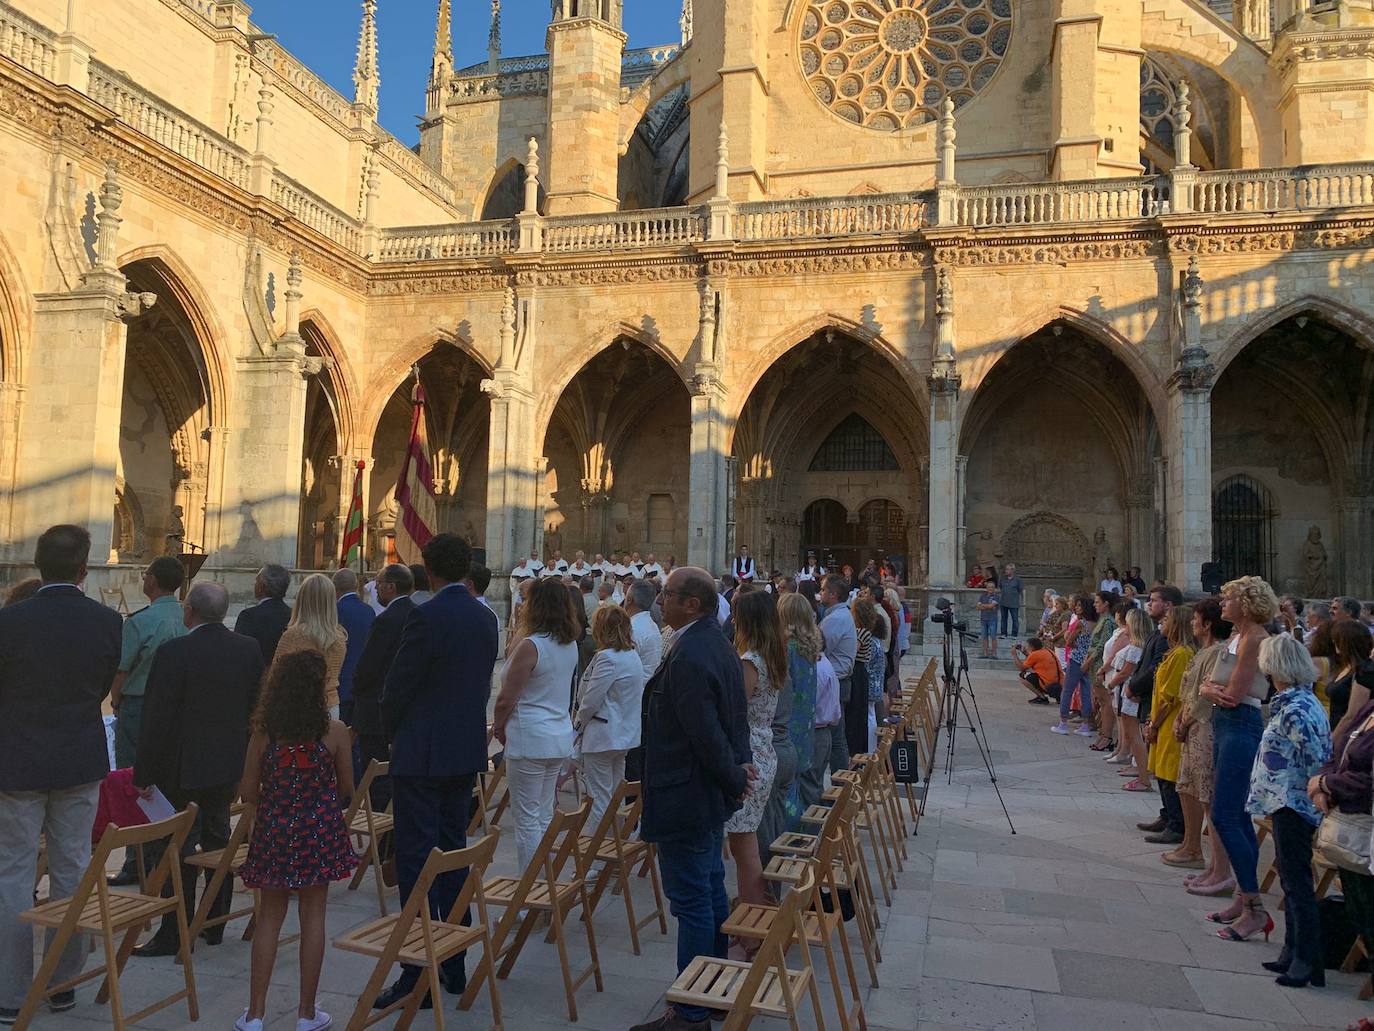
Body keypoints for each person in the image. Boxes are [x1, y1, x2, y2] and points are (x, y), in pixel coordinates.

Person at [0, 526, 121, 1023]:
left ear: (37, 564)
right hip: (76, 755)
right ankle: (62, 983)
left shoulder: (10, 621)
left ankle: (8, 993)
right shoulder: (107, 622)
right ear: (84, 568)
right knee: (73, 868)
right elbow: (98, 687)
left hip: (19, 757)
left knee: (13, 871)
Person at [373, 534, 498, 1008]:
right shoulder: (483, 617)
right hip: (461, 752)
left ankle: (416, 970)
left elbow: (397, 687)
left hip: (422, 753)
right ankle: (454, 961)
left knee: (417, 861)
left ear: (427, 567)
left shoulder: (424, 616)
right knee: (454, 853)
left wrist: (394, 731)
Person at [633, 567, 752, 1031]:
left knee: (692, 901)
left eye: (669, 594)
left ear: (693, 604)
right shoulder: (713, 643)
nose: (661, 599)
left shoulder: (691, 654)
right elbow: (731, 720)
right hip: (702, 792)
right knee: (708, 888)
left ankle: (689, 1010)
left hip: (686, 793)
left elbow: (706, 730)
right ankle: (713, 987)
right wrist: (736, 771)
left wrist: (732, 774)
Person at [131, 581, 264, 957]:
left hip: (180, 766)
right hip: (225, 763)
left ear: (190, 611)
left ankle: (175, 929)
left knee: (177, 848)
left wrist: (143, 773)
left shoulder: (175, 652)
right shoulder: (247, 648)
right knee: (218, 837)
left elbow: (156, 718)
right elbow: (256, 706)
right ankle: (214, 920)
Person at [236, 650, 358, 1031]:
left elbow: (247, 790)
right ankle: (306, 1013)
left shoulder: (264, 732)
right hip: (317, 831)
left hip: (275, 829)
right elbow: (347, 789)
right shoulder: (335, 732)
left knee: (269, 918)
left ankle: (255, 1013)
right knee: (314, 917)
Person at [1245, 635, 1330, 986]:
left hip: (1294, 801)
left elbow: (1315, 759)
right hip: (1285, 798)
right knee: (1290, 876)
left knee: (1296, 882)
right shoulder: (1295, 702)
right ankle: (1292, 950)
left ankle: (1307, 960)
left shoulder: (1296, 709)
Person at [1198, 576, 1277, 942]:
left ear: (1244, 603)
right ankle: (1245, 899)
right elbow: (1220, 690)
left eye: (1228, 598)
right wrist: (1211, 690)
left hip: (1241, 723)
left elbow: (1232, 694)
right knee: (1234, 814)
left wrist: (1207, 689)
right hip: (1227, 724)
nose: (1222, 603)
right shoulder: (1236, 636)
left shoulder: (1256, 638)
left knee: (1226, 815)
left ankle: (1255, 910)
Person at [107, 556, 186, 886]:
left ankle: (135, 859)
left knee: (134, 780)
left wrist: (116, 699)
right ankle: (166, 853)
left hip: (140, 705)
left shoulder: (140, 620)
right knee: (168, 777)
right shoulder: (187, 615)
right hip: (179, 707)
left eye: (146, 573)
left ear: (153, 580)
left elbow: (122, 669)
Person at [492, 577, 577, 872]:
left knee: (527, 819)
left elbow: (506, 698)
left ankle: (530, 893)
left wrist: (498, 726)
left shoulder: (533, 645)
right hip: (556, 735)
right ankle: (545, 880)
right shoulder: (568, 644)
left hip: (531, 734)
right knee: (541, 814)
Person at [724, 591, 783, 929]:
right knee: (745, 844)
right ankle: (756, 919)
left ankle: (752, 929)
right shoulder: (770, 655)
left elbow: (737, 710)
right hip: (763, 747)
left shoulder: (750, 661)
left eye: (737, 616)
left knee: (745, 849)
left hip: (750, 753)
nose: (732, 621)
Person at [1309, 695, 1374, 992]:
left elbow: (1367, 780)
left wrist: (1327, 785)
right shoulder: (1369, 708)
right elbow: (1339, 754)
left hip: (1366, 828)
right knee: (1361, 914)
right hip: (1351, 834)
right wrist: (1323, 781)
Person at [1172, 598, 1233, 884]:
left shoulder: (1218, 653)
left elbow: (1204, 697)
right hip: (1191, 726)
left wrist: (1184, 721)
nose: (1193, 623)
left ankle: (1212, 862)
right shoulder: (1204, 650)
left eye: (1197, 618)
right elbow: (1190, 691)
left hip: (1203, 727)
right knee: (1188, 786)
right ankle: (1190, 845)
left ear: (1207, 623)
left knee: (1205, 793)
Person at [350, 563, 416, 811]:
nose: (375, 589)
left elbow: (368, 666)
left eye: (378, 584)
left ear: (390, 586)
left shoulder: (386, 620)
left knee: (376, 777)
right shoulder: (417, 614)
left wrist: (357, 689)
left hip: (375, 709)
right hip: (405, 709)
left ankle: (380, 833)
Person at [573, 605, 645, 829]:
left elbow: (591, 700)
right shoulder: (631, 655)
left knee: (599, 798)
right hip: (623, 735)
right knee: (614, 794)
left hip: (604, 735)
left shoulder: (608, 658)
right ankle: (615, 844)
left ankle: (595, 854)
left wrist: (577, 728)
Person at [1142, 605, 1196, 847]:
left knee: (1169, 772)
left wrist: (1155, 723)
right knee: (1161, 769)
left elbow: (1171, 695)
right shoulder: (1174, 652)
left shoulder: (1183, 654)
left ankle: (1177, 824)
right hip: (1159, 720)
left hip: (1168, 719)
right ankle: (1167, 815)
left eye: (1168, 619)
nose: (1162, 622)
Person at [1131, 586, 1182, 817]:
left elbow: (1155, 670)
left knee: (1165, 765)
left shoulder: (1171, 643)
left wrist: (1133, 686)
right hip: (1149, 702)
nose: (1148, 604)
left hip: (1160, 707)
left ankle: (1173, 819)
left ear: (1169, 606)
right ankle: (1166, 814)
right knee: (1159, 764)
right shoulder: (1157, 632)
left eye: (1153, 600)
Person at [273, 573, 348, 719]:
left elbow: (276, 675)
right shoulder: (339, 638)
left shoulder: (293, 635)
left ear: (302, 599)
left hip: (298, 706)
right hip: (330, 705)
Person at [774, 594, 818, 835]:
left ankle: (792, 838)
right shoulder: (808, 647)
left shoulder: (788, 649)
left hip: (789, 727)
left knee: (786, 791)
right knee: (796, 784)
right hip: (805, 725)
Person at [816, 574, 857, 780]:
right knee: (836, 735)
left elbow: (818, 647)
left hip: (837, 682)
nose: (820, 593)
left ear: (833, 595)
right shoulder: (838, 615)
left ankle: (840, 785)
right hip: (838, 680)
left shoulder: (836, 619)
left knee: (836, 737)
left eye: (823, 590)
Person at [1107, 608, 1150, 783]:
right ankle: (1135, 763)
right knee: (1130, 731)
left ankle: (1140, 770)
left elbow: (1126, 671)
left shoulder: (1135, 648)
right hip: (1125, 688)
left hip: (1129, 689)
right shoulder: (1136, 645)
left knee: (1133, 732)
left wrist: (1111, 683)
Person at [333, 568, 375, 726]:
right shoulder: (368, 611)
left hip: (339, 684)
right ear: (355, 585)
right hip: (362, 685)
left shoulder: (335, 611)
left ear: (334, 587)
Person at [1052, 595, 1098, 737]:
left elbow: (1069, 640)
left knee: (1067, 690)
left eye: (1079, 606)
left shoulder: (1081, 623)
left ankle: (1063, 722)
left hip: (1076, 659)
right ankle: (1085, 723)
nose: (1076, 608)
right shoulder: (1096, 623)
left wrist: (1070, 640)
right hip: (1088, 660)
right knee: (1085, 691)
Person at [234, 564, 292, 666]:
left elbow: (239, 652)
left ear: (262, 587)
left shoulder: (248, 616)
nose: (254, 584)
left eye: (256, 581)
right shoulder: (293, 615)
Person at [1327, 618, 1374, 737]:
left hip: (1346, 735)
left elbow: (1352, 715)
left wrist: (1332, 740)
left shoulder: (1364, 672)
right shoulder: (1346, 667)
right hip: (1334, 728)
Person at [1012, 638, 1061, 704]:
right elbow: (1033, 659)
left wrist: (1014, 655)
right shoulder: (1047, 650)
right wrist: (1025, 653)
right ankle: (1058, 697)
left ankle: (1042, 697)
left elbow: (1022, 668)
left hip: (1049, 685)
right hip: (1059, 683)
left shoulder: (1035, 654)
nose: (1025, 648)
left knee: (1023, 676)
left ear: (1031, 647)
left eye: (1026, 646)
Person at [999, 562, 1023, 639]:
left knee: (1015, 619)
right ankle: (1003, 633)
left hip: (1014, 602)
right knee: (1003, 618)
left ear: (1012, 570)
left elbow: (1020, 589)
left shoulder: (1017, 580)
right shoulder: (1002, 578)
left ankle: (1014, 634)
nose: (1006, 571)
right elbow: (1000, 587)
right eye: (1006, 569)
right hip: (1003, 602)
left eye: (1008, 569)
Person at [977, 581, 999, 659]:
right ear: (986, 588)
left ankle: (994, 654)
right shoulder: (982, 596)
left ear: (994, 588)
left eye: (992, 587)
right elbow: (978, 607)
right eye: (989, 587)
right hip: (983, 619)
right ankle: (985, 653)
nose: (990, 589)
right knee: (984, 637)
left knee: (993, 636)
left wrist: (983, 606)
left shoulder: (996, 596)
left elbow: (991, 606)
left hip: (992, 619)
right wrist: (988, 606)